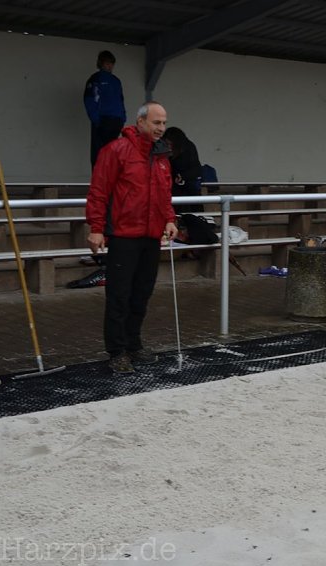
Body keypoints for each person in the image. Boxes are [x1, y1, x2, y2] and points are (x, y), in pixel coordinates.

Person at [85, 101, 177, 374]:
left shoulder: (161, 157)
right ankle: (117, 351)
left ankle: (133, 344)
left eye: (163, 122)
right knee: (119, 295)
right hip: (124, 234)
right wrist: (96, 227)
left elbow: (165, 193)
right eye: (156, 122)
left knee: (141, 294)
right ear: (140, 122)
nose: (161, 128)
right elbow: (99, 190)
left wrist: (170, 219)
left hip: (151, 235)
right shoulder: (116, 150)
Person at [84, 50, 126, 168]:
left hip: (116, 122)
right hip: (102, 120)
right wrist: (96, 119)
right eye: (107, 63)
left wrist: (122, 117)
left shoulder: (116, 81)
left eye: (112, 63)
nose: (110, 66)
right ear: (100, 63)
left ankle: (110, 180)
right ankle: (98, 181)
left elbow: (121, 100)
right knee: (98, 153)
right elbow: (89, 99)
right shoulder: (95, 79)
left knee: (112, 153)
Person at [163, 127, 204, 214]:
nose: (169, 147)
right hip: (169, 182)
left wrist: (183, 176)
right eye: (167, 144)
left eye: (171, 145)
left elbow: (196, 169)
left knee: (193, 195)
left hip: (187, 181)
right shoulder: (162, 148)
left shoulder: (188, 147)